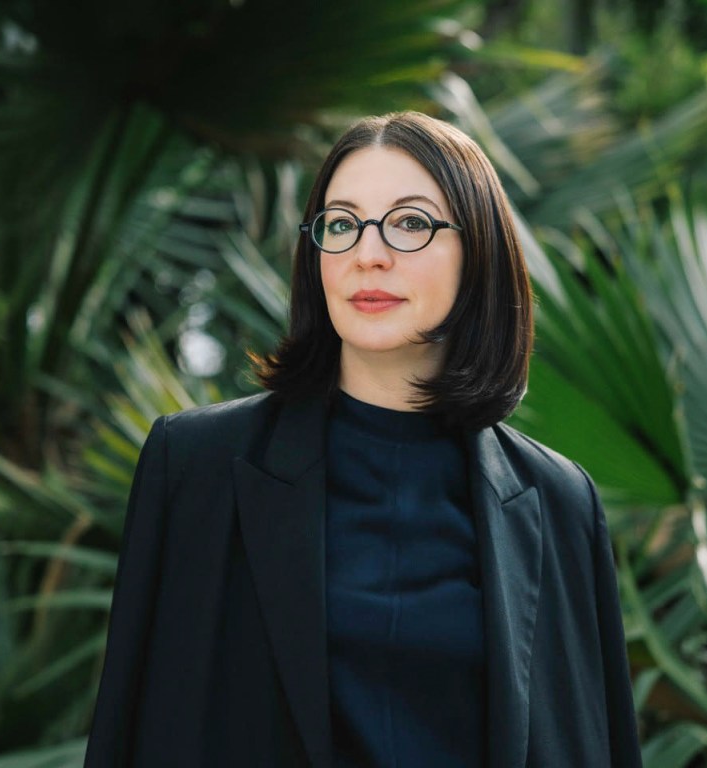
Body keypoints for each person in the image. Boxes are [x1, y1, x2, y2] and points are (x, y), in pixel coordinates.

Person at [84, 111, 642, 767]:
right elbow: (128, 730)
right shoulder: (197, 465)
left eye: (410, 222)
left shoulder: (558, 500)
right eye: (342, 224)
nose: (367, 254)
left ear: (480, 252)